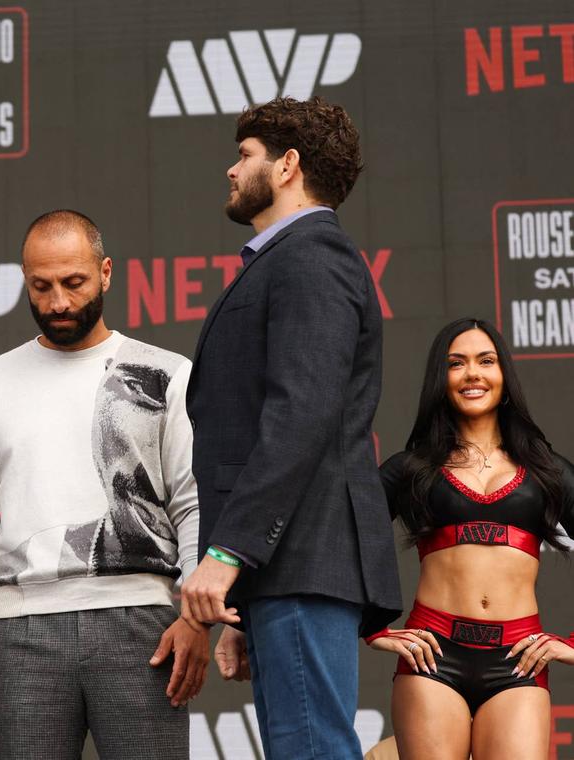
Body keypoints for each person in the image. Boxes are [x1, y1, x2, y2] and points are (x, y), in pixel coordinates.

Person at [180, 96, 403, 758]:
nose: (230, 169)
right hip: (288, 568)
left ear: (288, 166)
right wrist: (248, 584)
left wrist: (227, 556)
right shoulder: (296, 257)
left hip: (302, 560)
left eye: (245, 155)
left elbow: (299, 417)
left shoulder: (310, 258)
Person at [0, 210, 207, 760]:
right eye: (41, 286)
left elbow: (191, 502)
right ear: (25, 281)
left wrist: (192, 616)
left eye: (74, 282)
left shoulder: (165, 373)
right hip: (22, 630)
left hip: (144, 623)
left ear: (106, 273)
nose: (58, 301)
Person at [368, 318, 574, 759]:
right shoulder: (411, 469)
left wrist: (571, 645)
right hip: (432, 659)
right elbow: (343, 543)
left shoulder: (549, 472)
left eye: (486, 361)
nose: (472, 374)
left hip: (518, 663)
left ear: (504, 375)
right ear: (440, 380)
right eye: (456, 364)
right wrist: (371, 629)